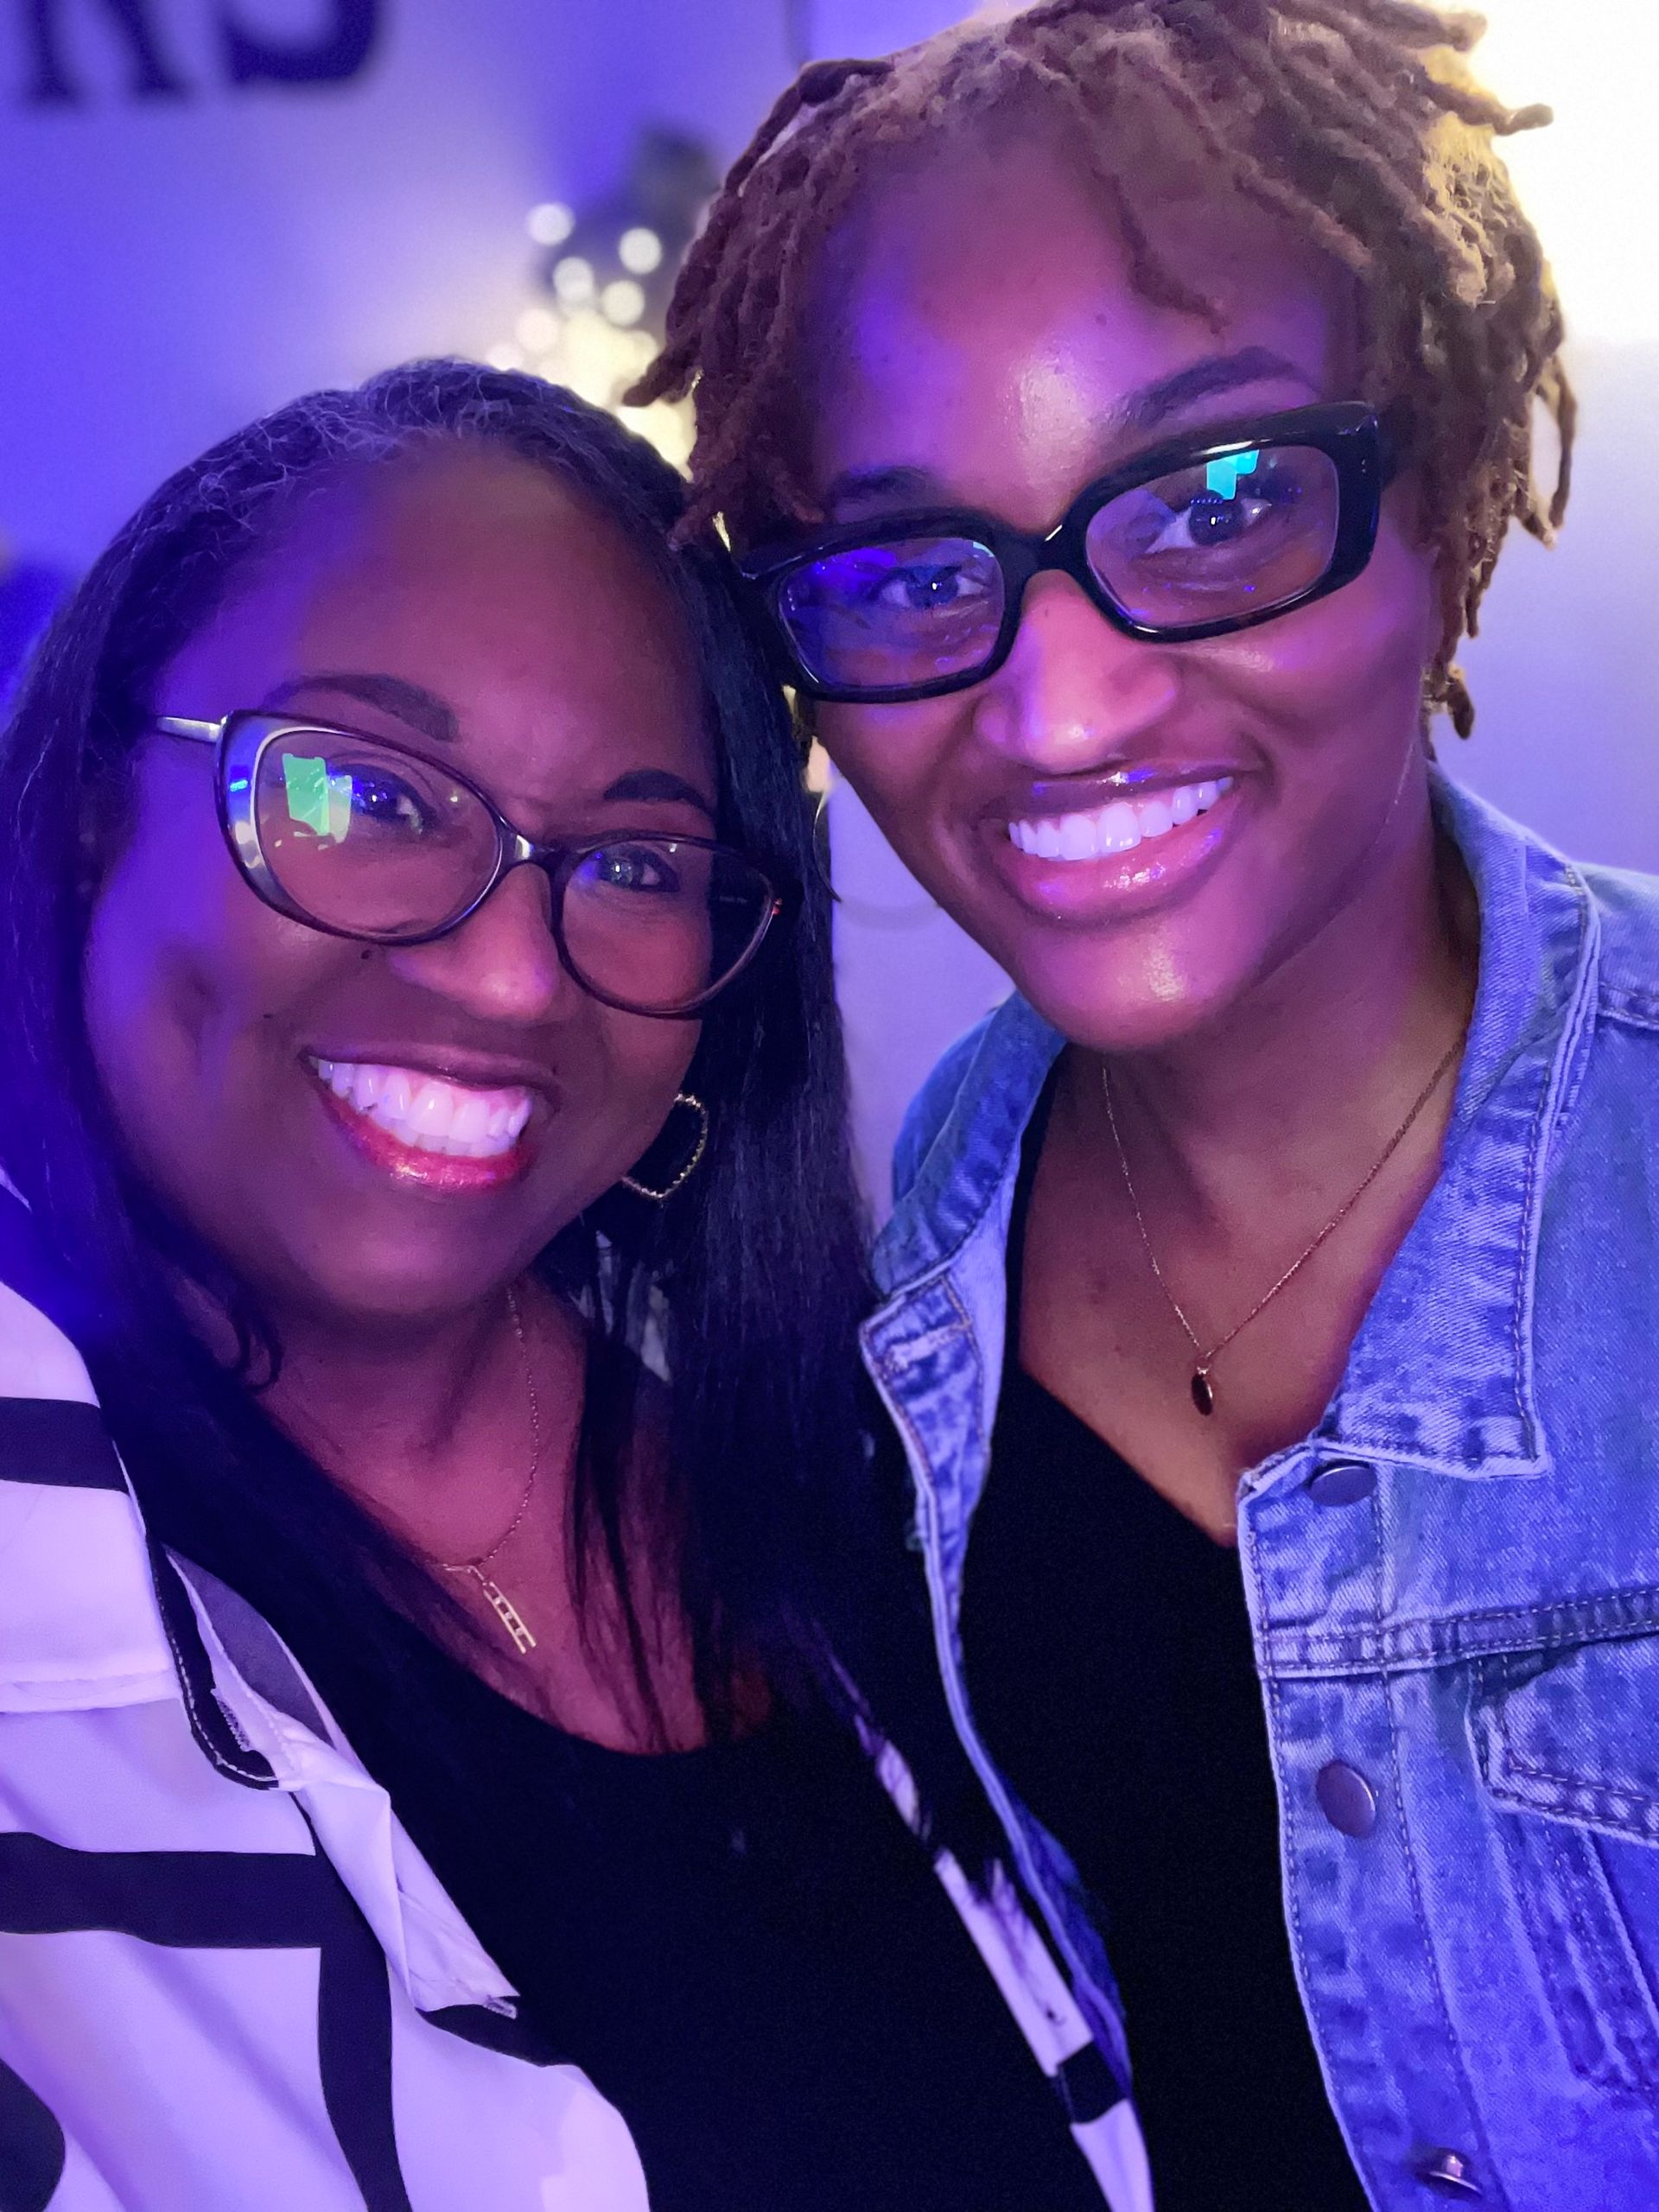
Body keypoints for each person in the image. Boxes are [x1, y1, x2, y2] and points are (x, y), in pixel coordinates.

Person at [639, 3, 1659, 2206]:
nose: (1059, 704)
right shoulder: (913, 1276)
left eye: (1210, 500)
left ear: (1448, 484)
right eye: (913, 571)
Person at [0, 362, 1145, 2210]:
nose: (514, 976)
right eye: (368, 790)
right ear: (86, 817)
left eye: (629, 861)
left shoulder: (879, 1500)